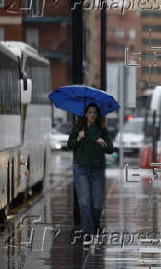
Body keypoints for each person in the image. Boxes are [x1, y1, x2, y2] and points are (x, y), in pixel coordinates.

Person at [67, 103, 113, 246]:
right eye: (90, 112)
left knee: (97, 203)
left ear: (98, 115)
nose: (92, 115)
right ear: (85, 114)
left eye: (95, 112)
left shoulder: (102, 130)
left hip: (97, 171)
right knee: (84, 202)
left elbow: (110, 149)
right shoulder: (78, 129)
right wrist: (78, 138)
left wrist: (104, 143)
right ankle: (88, 232)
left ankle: (96, 225)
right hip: (81, 170)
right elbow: (69, 145)